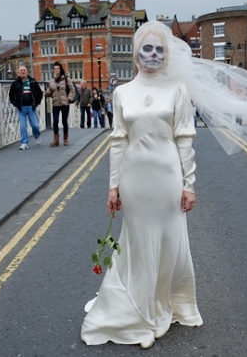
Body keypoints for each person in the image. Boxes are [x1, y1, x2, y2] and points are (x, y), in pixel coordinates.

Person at [81, 20, 202, 349]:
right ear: (136, 53)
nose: (153, 54)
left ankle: (164, 303)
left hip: (167, 179)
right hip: (135, 181)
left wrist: (189, 184)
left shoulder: (177, 89)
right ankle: (141, 310)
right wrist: (113, 187)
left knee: (168, 242)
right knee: (138, 242)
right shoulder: (121, 93)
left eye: (159, 49)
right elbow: (118, 142)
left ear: (166, 55)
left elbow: (185, 140)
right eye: (147, 48)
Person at [8, 66, 43, 150]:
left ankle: (37, 135)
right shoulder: (15, 83)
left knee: (35, 125)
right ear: (18, 73)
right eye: (21, 70)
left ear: (27, 72)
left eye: (24, 70)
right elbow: (11, 95)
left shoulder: (32, 81)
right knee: (23, 126)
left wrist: (37, 102)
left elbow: (39, 93)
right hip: (21, 108)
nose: (23, 72)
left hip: (31, 107)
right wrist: (15, 103)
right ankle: (24, 142)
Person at [44, 61, 75, 146]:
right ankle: (56, 140)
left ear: (60, 69)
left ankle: (65, 139)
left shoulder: (66, 79)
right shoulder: (51, 81)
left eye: (58, 68)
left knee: (64, 121)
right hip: (55, 104)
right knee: (55, 121)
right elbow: (49, 92)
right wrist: (44, 94)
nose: (56, 70)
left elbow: (72, 90)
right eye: (55, 69)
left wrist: (69, 99)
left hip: (65, 104)